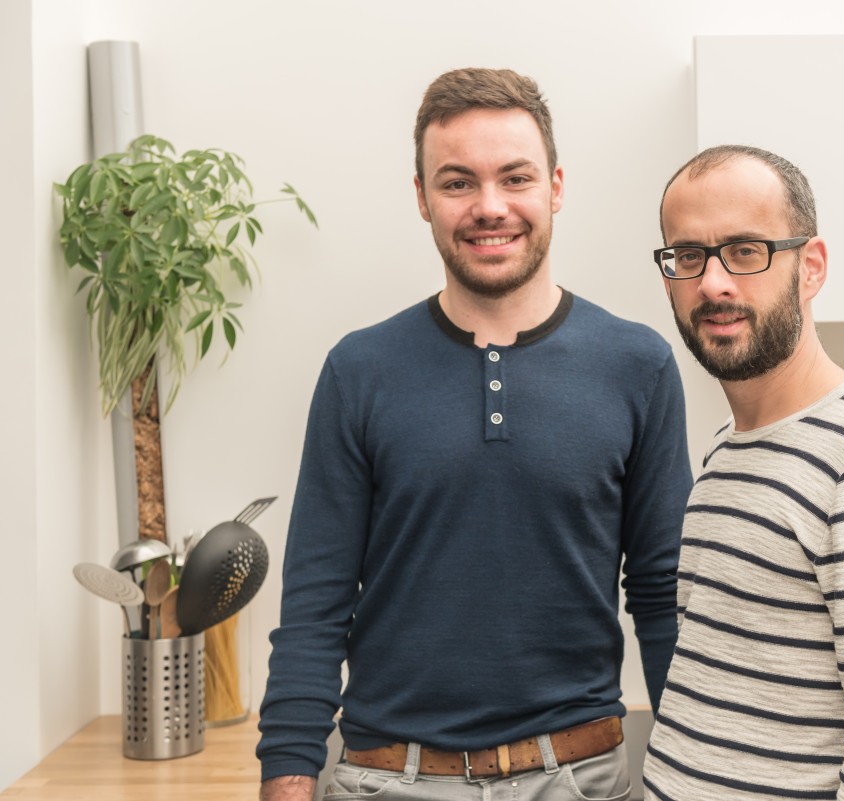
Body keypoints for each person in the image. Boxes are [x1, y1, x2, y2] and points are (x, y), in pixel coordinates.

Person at [256, 67, 692, 801]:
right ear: (422, 197)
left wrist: (691, 772)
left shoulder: (638, 364)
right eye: (458, 183)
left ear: (555, 186)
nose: (490, 207)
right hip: (385, 779)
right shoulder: (358, 369)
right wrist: (288, 777)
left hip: (581, 777)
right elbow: (314, 602)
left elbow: (663, 593)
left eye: (514, 178)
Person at [641, 145, 844, 801]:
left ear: (810, 267)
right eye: (688, 256)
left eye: (744, 250)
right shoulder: (727, 454)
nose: (713, 283)